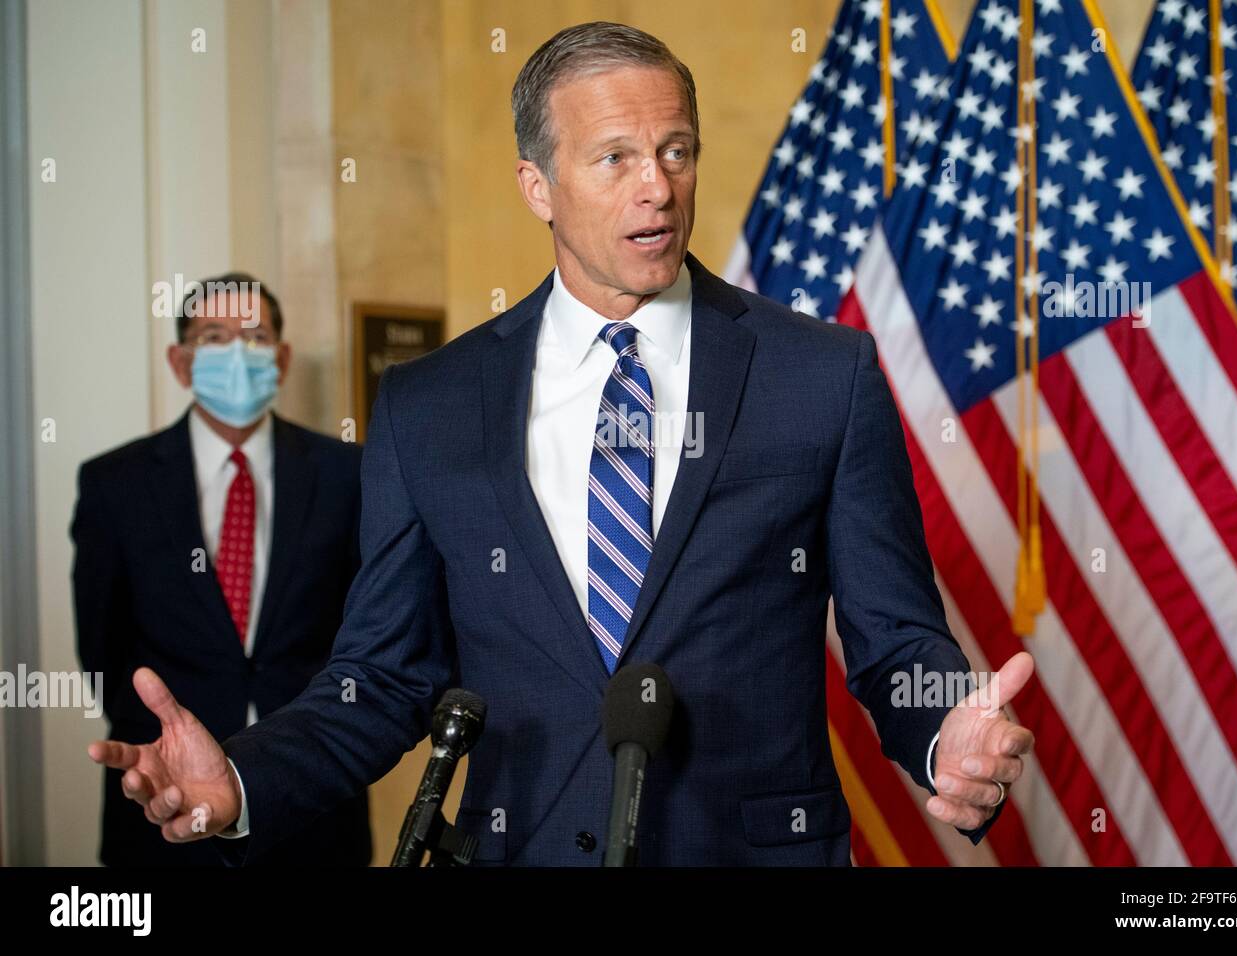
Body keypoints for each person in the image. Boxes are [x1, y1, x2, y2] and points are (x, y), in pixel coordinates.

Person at [89, 23, 1034, 866]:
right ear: (536, 186)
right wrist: (244, 782)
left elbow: (894, 637)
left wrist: (944, 728)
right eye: (614, 158)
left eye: (675, 151)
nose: (657, 187)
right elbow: (382, 676)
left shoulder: (824, 375)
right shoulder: (430, 404)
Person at [74, 273, 372, 865]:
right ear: (181, 363)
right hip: (164, 801)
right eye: (214, 336)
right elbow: (103, 647)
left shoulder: (347, 474)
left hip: (312, 802)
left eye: (255, 336)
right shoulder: (117, 483)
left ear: (282, 359)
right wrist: (161, 752)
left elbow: (365, 635)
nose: (237, 352)